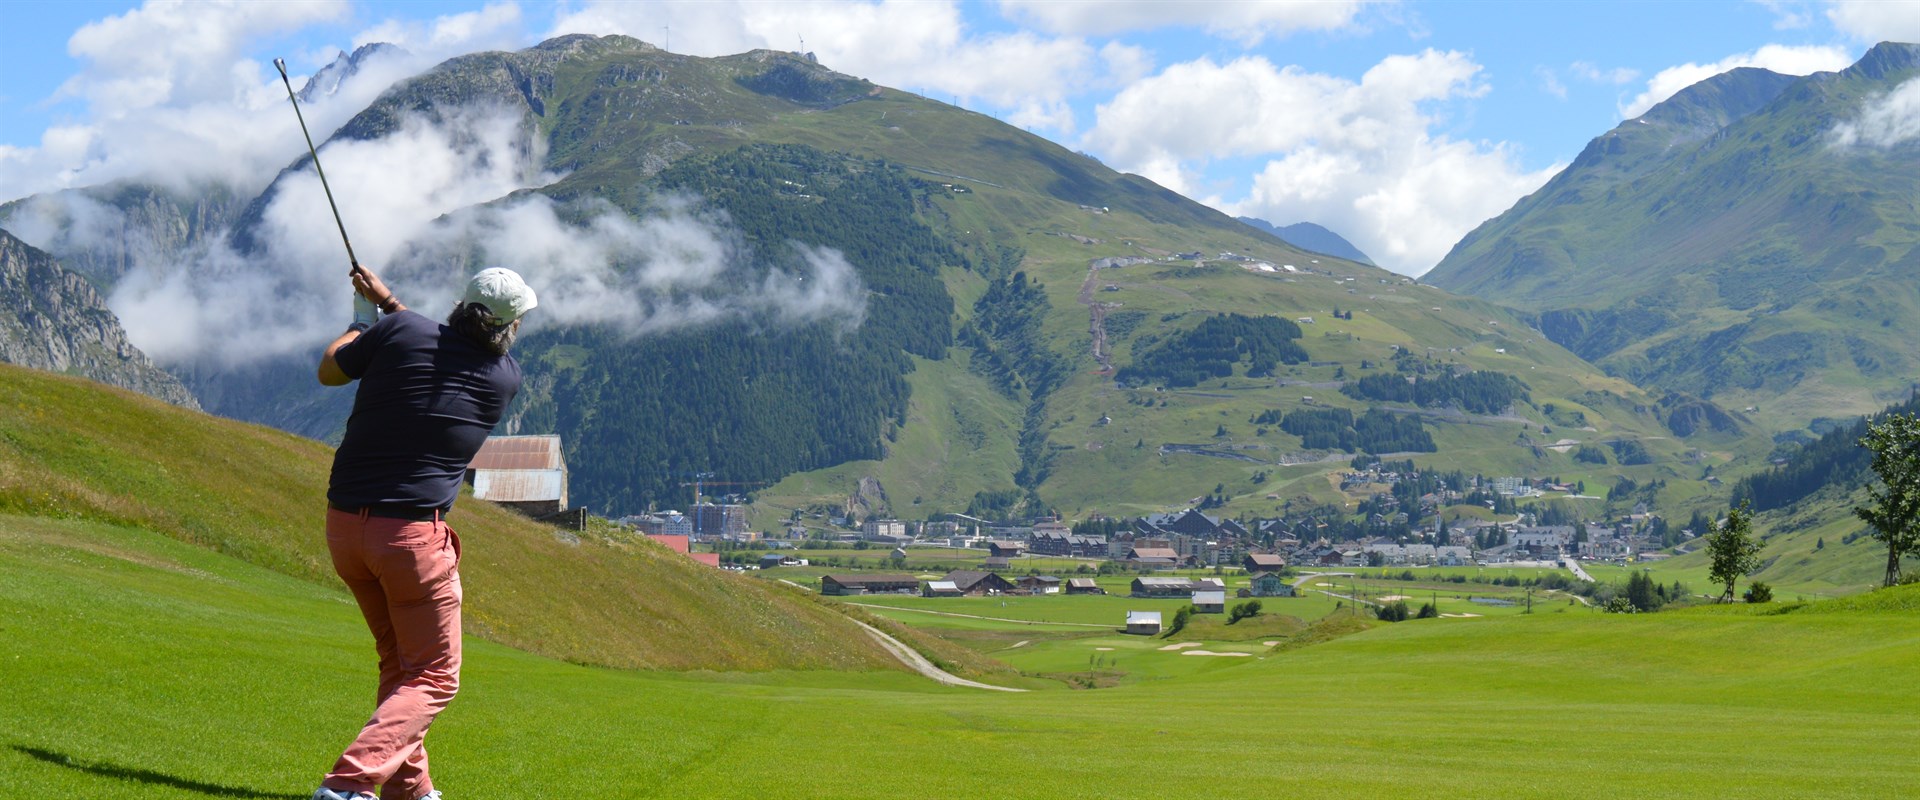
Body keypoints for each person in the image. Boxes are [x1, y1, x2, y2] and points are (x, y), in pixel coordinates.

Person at [311, 264, 535, 800]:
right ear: (507, 327)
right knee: (434, 676)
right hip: (410, 542)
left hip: (345, 530)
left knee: (402, 665)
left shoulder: (399, 333)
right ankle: (346, 787)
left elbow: (330, 370)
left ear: (462, 305)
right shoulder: (504, 377)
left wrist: (367, 318)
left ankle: (411, 791)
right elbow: (430, 341)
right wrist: (388, 304)